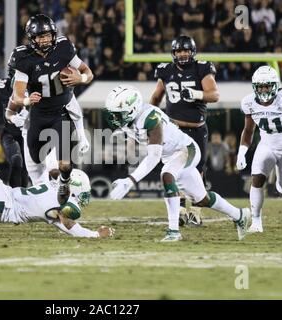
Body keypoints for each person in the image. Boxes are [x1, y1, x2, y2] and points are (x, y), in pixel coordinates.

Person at [104, 85, 250, 242]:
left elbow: (153, 157)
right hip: (173, 155)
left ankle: (173, 231)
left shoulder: (150, 119)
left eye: (118, 114)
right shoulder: (132, 120)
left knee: (167, 175)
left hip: (186, 149)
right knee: (202, 199)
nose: (114, 117)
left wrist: (130, 181)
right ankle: (240, 215)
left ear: (132, 109)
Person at [6, 14, 93, 197]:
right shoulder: (23, 57)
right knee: (36, 159)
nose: (45, 39)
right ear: (32, 38)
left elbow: (87, 72)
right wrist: (27, 101)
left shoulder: (63, 48)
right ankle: (44, 193)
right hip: (38, 114)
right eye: (41, 36)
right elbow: (17, 94)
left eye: (48, 35)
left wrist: (81, 78)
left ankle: (64, 182)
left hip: (60, 113)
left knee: (64, 165)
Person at [150, 35, 219, 220]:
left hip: (197, 129)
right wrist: (150, 117)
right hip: (174, 130)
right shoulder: (165, 71)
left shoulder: (202, 68)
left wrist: (196, 93)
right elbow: (156, 97)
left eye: (186, 50)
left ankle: (196, 211)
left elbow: (214, 95)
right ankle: (180, 210)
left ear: (192, 51)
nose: (182, 54)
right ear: (173, 53)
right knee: (175, 168)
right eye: (179, 51)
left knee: (198, 169)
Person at [236, 66, 282, 233]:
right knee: (256, 179)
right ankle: (256, 222)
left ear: (275, 86)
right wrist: (241, 152)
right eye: (260, 86)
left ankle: (280, 181)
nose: (263, 90)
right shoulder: (249, 103)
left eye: (267, 86)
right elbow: (248, 131)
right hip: (267, 146)